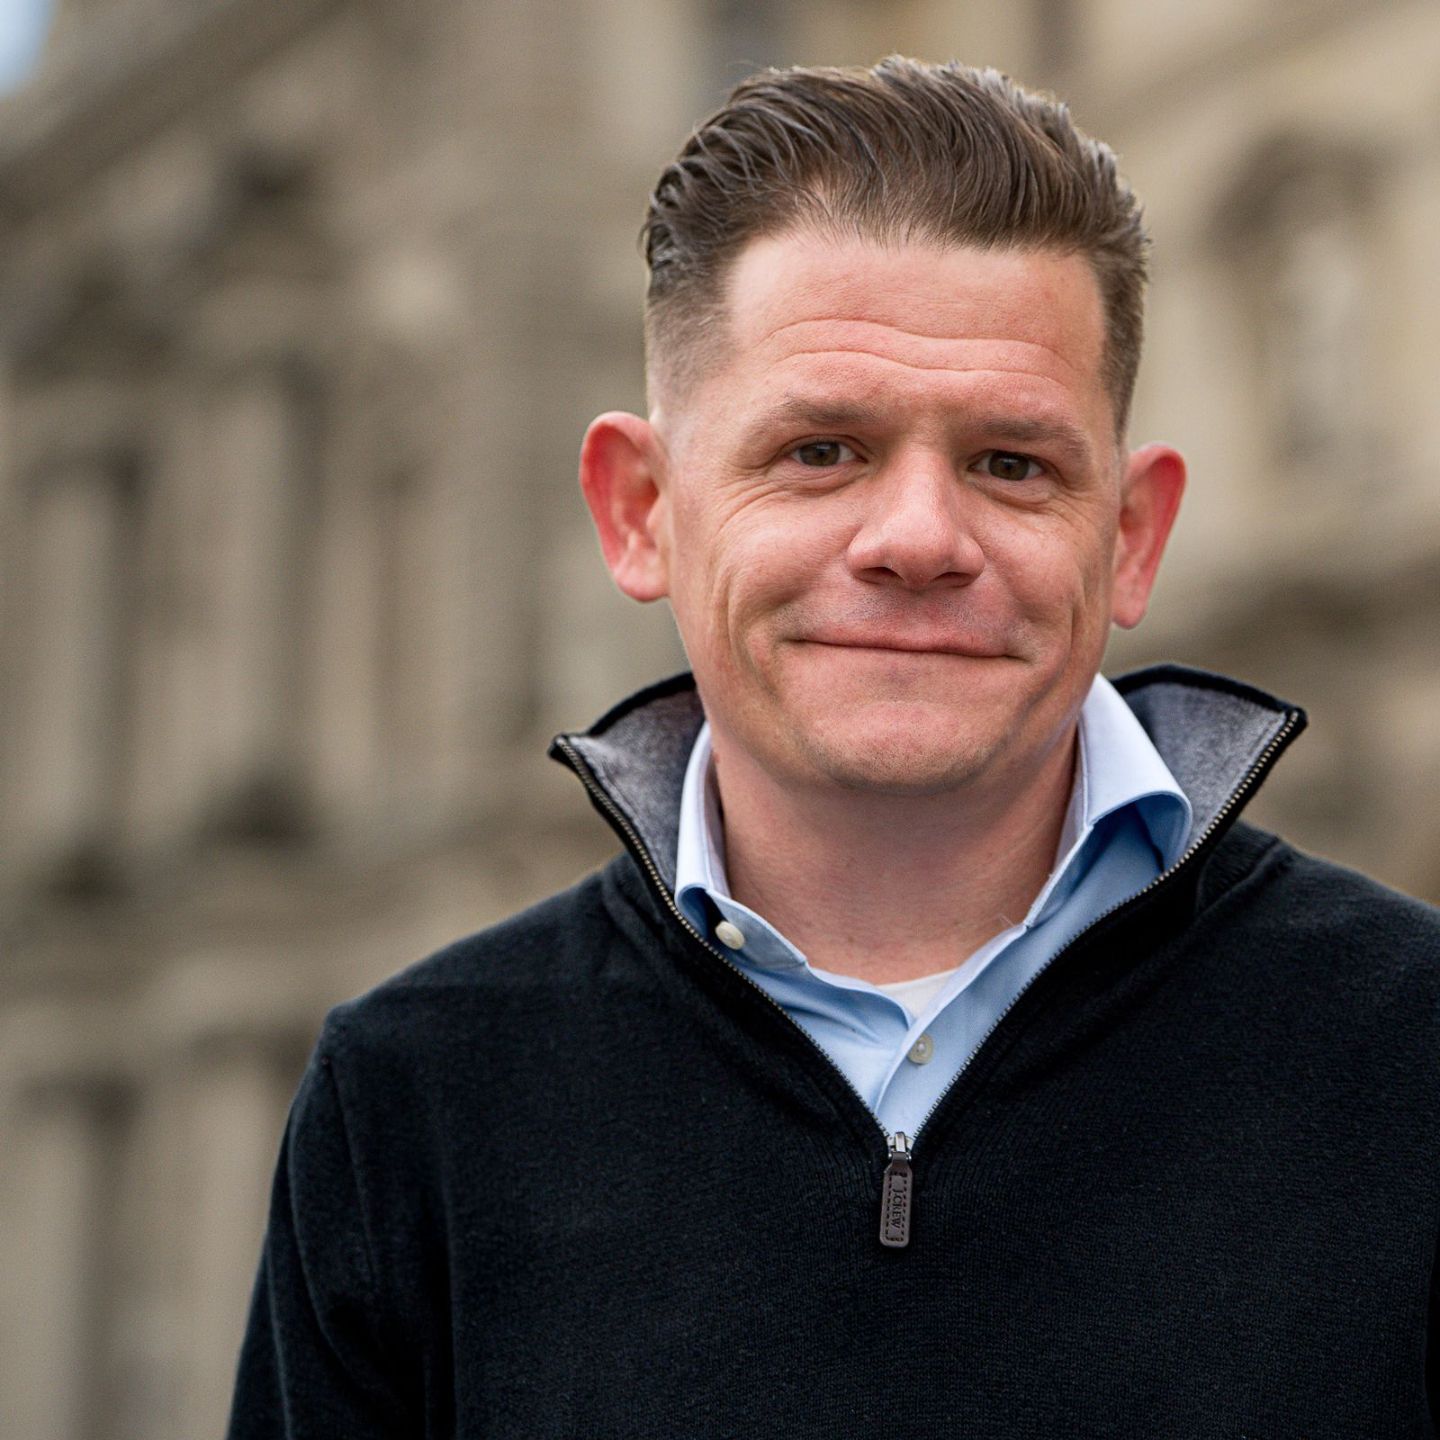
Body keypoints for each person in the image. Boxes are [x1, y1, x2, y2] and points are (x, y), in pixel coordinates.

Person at [228, 58, 1440, 1437]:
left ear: (1130, 537)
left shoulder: (1414, 1042)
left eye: (1012, 464)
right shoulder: (409, 1101)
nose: (918, 539)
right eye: (821, 451)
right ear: (640, 511)